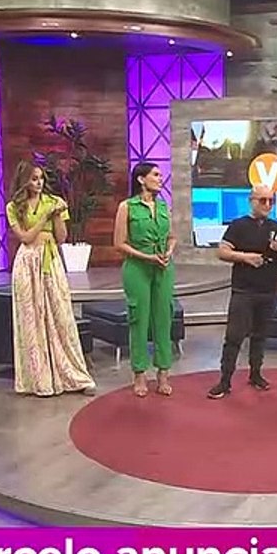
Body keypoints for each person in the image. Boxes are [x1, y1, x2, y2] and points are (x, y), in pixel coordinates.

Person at [4, 161, 96, 397]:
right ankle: (38, 379)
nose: (39, 183)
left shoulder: (54, 202)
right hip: (27, 263)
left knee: (60, 315)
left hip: (51, 260)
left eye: (41, 178)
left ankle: (73, 375)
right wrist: (44, 215)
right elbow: (25, 238)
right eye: (34, 178)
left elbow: (62, 237)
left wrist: (55, 216)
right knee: (31, 318)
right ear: (25, 180)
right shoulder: (13, 207)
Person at [208, 185, 277, 398]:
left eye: (271, 201)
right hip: (244, 290)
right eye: (262, 200)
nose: (267, 205)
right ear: (251, 201)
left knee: (260, 335)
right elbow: (222, 251)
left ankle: (256, 374)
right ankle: (225, 380)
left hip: (269, 289)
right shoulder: (238, 225)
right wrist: (245, 257)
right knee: (235, 336)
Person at [114, 162, 176, 397]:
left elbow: (172, 237)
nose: (160, 179)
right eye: (156, 175)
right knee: (139, 319)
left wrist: (168, 251)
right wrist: (147, 257)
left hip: (163, 268)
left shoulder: (164, 206)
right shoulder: (127, 207)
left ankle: (163, 373)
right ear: (141, 179)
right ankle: (139, 374)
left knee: (164, 318)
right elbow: (119, 244)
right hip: (138, 268)